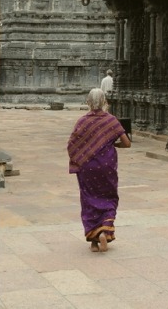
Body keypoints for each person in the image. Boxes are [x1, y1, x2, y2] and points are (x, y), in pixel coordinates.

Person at [67, 88, 131, 252]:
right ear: (104, 102)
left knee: (89, 199)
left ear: (88, 102)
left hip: (87, 167)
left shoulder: (82, 121)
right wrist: (112, 144)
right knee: (109, 197)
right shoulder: (111, 120)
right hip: (107, 165)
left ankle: (94, 242)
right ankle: (105, 230)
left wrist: (82, 156)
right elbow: (127, 143)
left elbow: (72, 145)